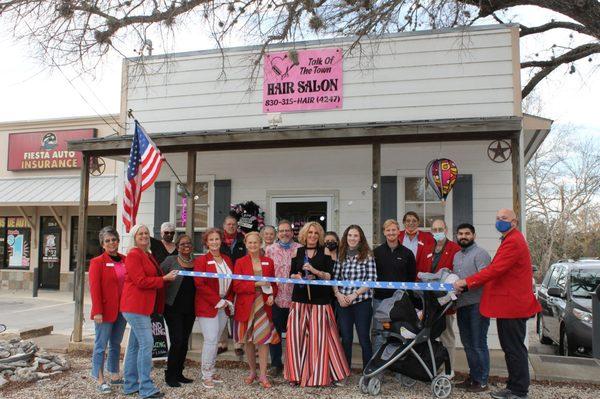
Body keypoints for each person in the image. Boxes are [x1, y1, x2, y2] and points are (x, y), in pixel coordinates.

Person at [453, 209, 541, 399]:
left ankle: (518, 391)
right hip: (507, 305)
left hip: (513, 305)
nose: (500, 221)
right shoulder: (509, 239)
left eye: (504, 219)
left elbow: (494, 270)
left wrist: (466, 282)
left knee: (514, 348)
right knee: (510, 348)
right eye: (498, 218)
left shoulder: (514, 241)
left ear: (514, 222)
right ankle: (513, 386)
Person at [285, 222, 350, 387]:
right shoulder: (296, 251)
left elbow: (330, 276)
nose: (313, 235)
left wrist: (315, 272)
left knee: (319, 341)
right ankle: (296, 375)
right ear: (305, 234)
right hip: (299, 300)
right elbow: (291, 273)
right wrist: (297, 277)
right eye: (310, 232)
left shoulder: (325, 251)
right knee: (296, 339)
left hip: (320, 302)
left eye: (316, 233)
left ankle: (318, 376)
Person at [121, 224, 178, 399]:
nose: (144, 236)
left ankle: (130, 385)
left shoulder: (148, 254)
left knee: (134, 346)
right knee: (147, 344)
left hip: (142, 307)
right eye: (141, 234)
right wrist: (163, 279)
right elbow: (140, 281)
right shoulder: (133, 255)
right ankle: (145, 388)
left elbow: (155, 276)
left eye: (146, 233)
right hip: (135, 306)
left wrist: (166, 277)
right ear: (134, 237)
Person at [232, 232, 279, 389]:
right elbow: (236, 286)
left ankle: (263, 375)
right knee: (249, 341)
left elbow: (273, 284)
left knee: (264, 340)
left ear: (261, 244)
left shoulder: (268, 262)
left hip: (264, 306)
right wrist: (256, 284)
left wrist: (272, 294)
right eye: (250, 243)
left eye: (256, 242)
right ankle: (252, 372)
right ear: (246, 244)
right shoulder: (240, 262)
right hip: (246, 306)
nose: (253, 245)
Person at [452, 223, 492, 393]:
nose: (463, 236)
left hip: (478, 304)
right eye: (460, 234)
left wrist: (466, 285)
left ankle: (482, 381)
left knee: (478, 343)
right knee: (468, 344)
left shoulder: (480, 253)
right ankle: (474, 378)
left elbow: (485, 277)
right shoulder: (456, 256)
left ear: (474, 236)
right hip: (462, 304)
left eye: (467, 233)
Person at [194, 228, 234, 389]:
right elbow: (199, 284)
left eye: (217, 239)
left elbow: (233, 282)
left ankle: (212, 369)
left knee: (216, 340)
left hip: (223, 306)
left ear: (221, 241)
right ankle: (206, 375)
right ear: (206, 242)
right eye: (211, 240)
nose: (214, 242)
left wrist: (228, 301)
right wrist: (217, 300)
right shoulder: (202, 260)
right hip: (208, 305)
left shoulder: (227, 259)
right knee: (210, 340)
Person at [89, 226, 127, 394]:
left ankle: (114, 375)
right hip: (104, 311)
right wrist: (97, 311)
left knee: (116, 344)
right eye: (107, 241)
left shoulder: (125, 259)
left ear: (118, 241)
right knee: (101, 345)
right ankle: (99, 378)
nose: (111, 243)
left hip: (122, 310)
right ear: (102, 244)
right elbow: (94, 288)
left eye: (114, 239)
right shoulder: (97, 262)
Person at [333, 224, 377, 370]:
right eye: (350, 235)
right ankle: (345, 371)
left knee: (364, 338)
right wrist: (338, 295)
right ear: (346, 237)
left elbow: (371, 280)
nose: (352, 238)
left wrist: (354, 295)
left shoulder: (367, 256)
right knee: (346, 338)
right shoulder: (341, 255)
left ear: (360, 238)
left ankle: (368, 371)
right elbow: (335, 278)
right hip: (343, 302)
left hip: (361, 302)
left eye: (355, 236)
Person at [420, 219, 461, 373]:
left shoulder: (454, 249)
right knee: (429, 335)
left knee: (446, 335)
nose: (437, 232)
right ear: (431, 231)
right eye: (435, 229)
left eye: (440, 229)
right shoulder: (427, 248)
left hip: (445, 301)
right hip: (428, 301)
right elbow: (421, 270)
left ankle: (448, 371)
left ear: (446, 229)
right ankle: (433, 368)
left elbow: (457, 273)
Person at [372, 219, 416, 353]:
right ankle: (378, 369)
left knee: (399, 334)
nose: (391, 232)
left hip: (399, 302)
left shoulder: (407, 253)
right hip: (380, 300)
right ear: (384, 232)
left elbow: (411, 278)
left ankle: (399, 370)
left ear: (398, 231)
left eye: (394, 230)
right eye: (388, 230)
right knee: (379, 334)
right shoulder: (376, 253)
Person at [265, 220, 302, 377]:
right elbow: (267, 273)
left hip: (296, 298)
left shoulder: (300, 248)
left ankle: (294, 364)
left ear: (292, 232)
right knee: (275, 333)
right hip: (277, 298)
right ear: (277, 233)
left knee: (296, 333)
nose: (285, 233)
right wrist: (268, 294)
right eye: (281, 231)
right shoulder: (270, 249)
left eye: (288, 230)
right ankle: (275, 364)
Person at [160, 234, 196, 387]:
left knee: (184, 342)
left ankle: (179, 373)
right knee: (177, 340)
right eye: (182, 244)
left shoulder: (196, 262)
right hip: (173, 307)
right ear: (177, 246)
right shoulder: (171, 260)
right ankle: (170, 375)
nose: (186, 246)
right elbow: (160, 277)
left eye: (188, 243)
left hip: (190, 308)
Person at [218, 215, 247, 356]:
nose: (231, 226)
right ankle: (222, 343)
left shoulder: (243, 240)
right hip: (222, 282)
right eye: (229, 224)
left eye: (234, 224)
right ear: (224, 226)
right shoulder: (218, 240)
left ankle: (238, 344)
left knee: (237, 312)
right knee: (223, 311)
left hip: (239, 281)